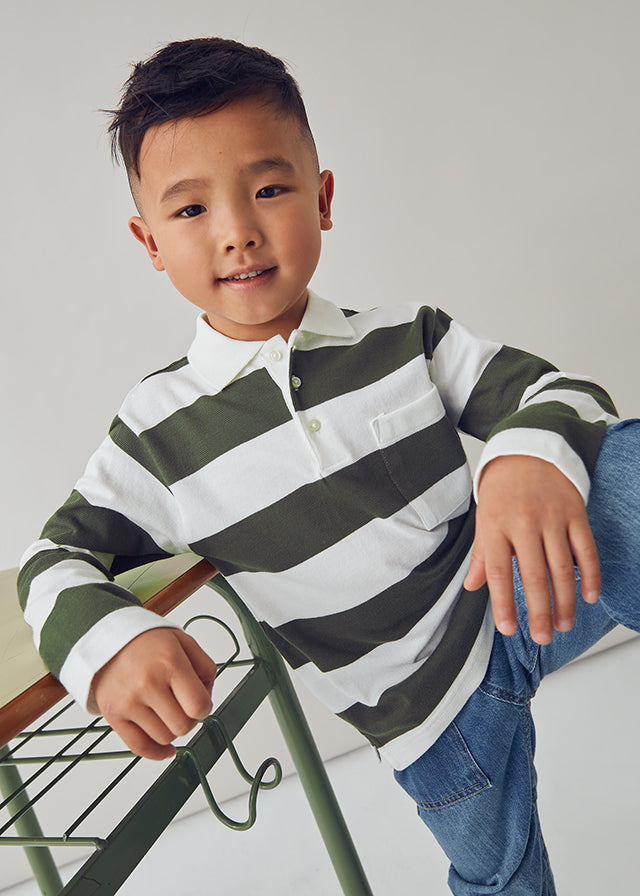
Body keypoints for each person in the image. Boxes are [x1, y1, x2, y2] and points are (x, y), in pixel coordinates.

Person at [17, 37, 639, 895]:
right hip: (429, 724)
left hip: (517, 592)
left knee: (624, 465)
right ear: (149, 242)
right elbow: (54, 557)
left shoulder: (407, 336)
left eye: (269, 190)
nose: (238, 231)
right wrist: (113, 644)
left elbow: (555, 392)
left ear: (323, 198)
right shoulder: (156, 436)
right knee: (502, 879)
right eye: (191, 209)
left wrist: (522, 459)